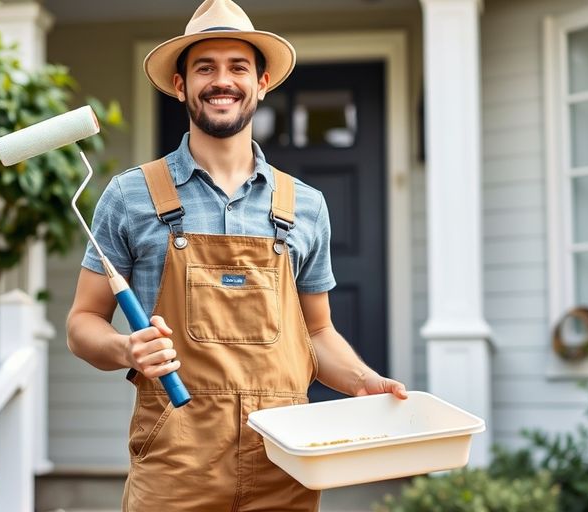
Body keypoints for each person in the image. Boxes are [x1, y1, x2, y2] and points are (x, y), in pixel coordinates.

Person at [65, 0, 407, 510]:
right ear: (180, 85)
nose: (221, 80)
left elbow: (317, 333)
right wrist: (126, 350)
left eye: (237, 67)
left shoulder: (306, 206)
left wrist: (363, 381)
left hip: (285, 463)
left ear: (262, 82)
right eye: (205, 67)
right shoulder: (130, 196)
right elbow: (83, 322)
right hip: (174, 467)